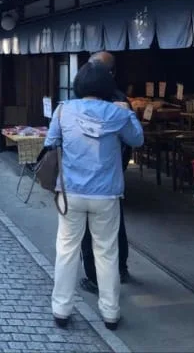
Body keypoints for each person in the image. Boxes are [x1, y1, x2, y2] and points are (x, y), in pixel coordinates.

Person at [45, 62, 144, 331]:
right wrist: (129, 114)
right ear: (107, 87)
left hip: (71, 192)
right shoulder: (117, 113)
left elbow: (50, 142)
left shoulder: (64, 110)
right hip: (106, 194)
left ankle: (61, 309)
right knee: (106, 252)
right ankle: (110, 312)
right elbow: (136, 140)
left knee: (66, 249)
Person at [80, 51, 132, 294]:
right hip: (108, 179)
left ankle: (98, 277)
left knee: (92, 232)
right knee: (111, 227)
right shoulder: (118, 101)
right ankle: (117, 270)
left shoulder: (113, 101)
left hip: (92, 179)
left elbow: (132, 139)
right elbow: (133, 139)